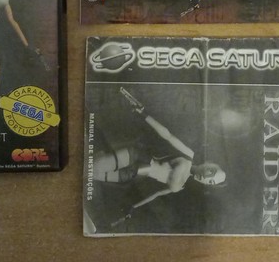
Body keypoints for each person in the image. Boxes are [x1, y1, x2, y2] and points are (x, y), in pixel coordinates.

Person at [92, 88, 226, 224]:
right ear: (208, 163)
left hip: (133, 174)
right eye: (211, 171)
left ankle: (100, 153)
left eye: (210, 181)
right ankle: (100, 151)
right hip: (137, 158)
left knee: (92, 174)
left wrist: (134, 207)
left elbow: (156, 194)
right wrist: (144, 114)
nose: (206, 177)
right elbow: (167, 135)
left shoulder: (181, 186)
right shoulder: (189, 155)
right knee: (91, 168)